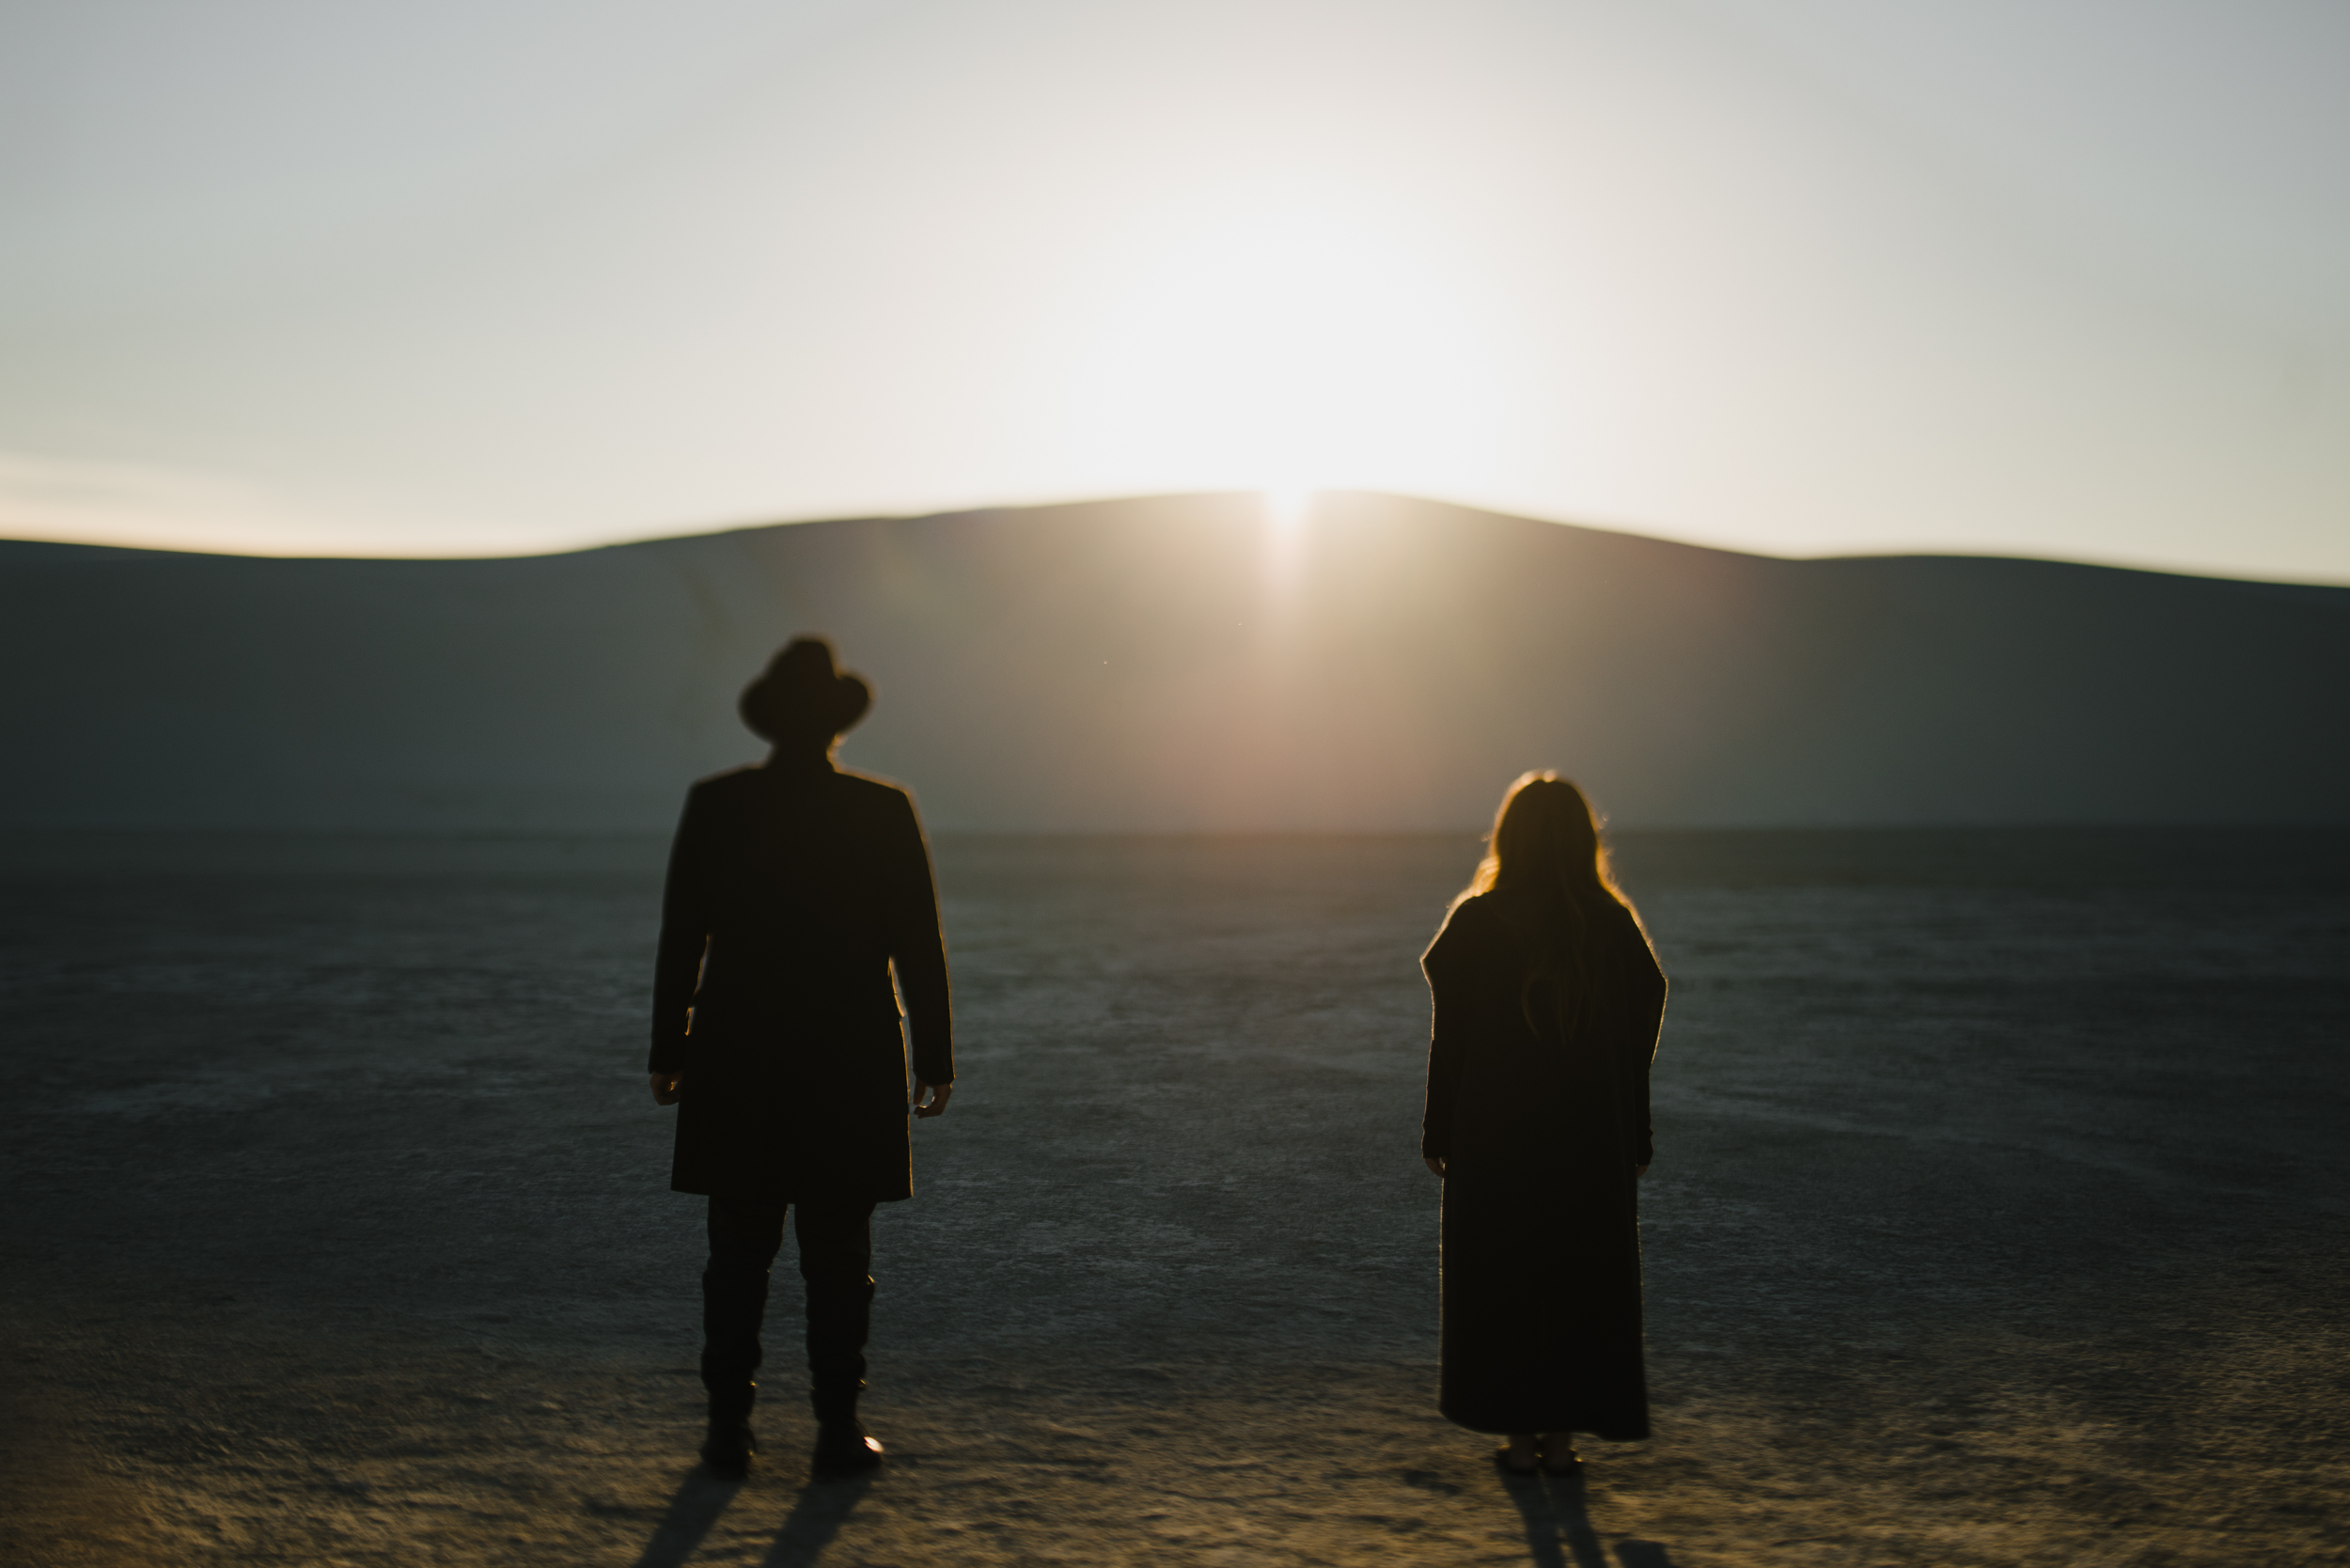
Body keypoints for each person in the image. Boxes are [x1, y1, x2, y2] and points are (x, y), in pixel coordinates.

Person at [647, 636, 954, 1482]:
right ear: (836, 726)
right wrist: (935, 1055)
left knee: (737, 1252)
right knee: (839, 1257)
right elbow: (916, 943)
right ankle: (836, 1429)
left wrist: (667, 1049)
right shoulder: (882, 808)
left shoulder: (717, 804)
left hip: (736, 1053)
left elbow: (684, 937)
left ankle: (727, 1432)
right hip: (848, 1056)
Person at [1419, 772, 1667, 1476]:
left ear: (1508, 837)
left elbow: (1451, 1040)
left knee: (1504, 1281)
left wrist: (1438, 1132)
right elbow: (1639, 1029)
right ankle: (1562, 1444)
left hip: (1495, 1139)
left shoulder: (1476, 923)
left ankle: (1519, 1439)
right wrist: (1635, 1135)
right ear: (1586, 840)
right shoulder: (1610, 925)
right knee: (1580, 1281)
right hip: (1591, 1141)